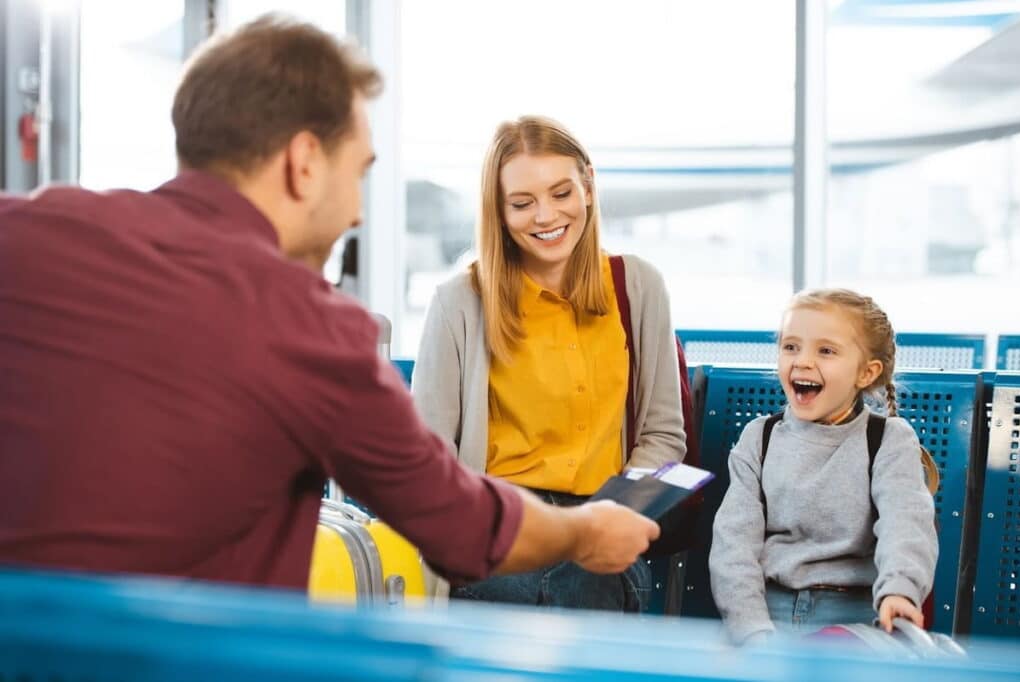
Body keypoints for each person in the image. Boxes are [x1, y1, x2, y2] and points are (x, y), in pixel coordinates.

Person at [0, 18, 659, 591]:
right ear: (305, 162)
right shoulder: (308, 328)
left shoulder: (27, 231)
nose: (356, 210)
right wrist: (582, 533)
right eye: (360, 171)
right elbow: (459, 525)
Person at [413, 116, 686, 612]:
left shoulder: (638, 286)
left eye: (561, 193)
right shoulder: (459, 301)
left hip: (602, 519)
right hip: (500, 523)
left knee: (589, 591)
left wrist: (613, 516)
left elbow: (664, 436)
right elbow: (429, 453)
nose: (545, 215)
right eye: (521, 203)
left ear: (588, 184)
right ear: (497, 210)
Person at [709, 289, 938, 644]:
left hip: (856, 618)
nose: (801, 361)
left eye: (826, 351)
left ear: (866, 372)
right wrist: (751, 630)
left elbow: (906, 526)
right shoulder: (759, 438)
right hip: (766, 613)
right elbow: (733, 546)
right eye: (791, 347)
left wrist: (900, 590)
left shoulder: (888, 440)